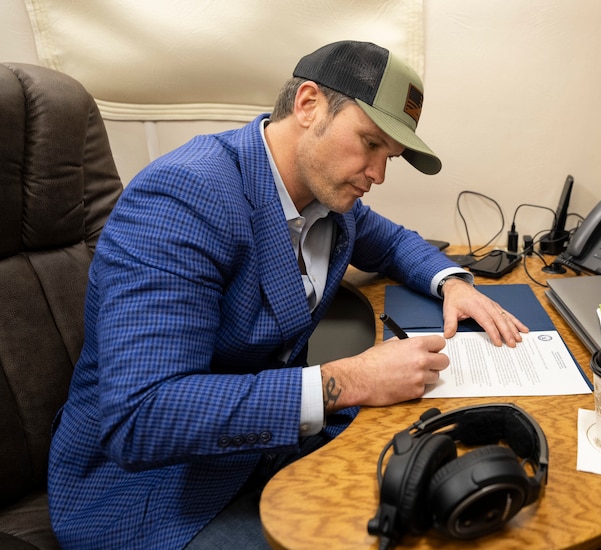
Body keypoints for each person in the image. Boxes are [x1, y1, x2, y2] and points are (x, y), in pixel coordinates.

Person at [47, 40, 529, 549]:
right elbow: (142, 417)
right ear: (308, 105)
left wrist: (450, 282)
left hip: (266, 447)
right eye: (369, 144)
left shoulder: (328, 196)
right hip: (152, 492)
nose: (379, 175)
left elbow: (391, 241)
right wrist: (348, 379)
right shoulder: (182, 197)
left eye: (390, 156)